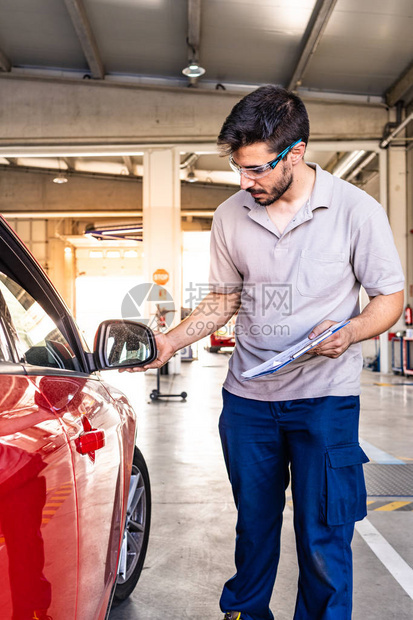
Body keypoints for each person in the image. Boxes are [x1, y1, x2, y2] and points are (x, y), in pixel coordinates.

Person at [129, 86, 404, 620]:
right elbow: (223, 300)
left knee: (324, 532)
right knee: (253, 525)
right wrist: (168, 342)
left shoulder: (355, 211)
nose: (244, 181)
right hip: (249, 401)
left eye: (255, 169)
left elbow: (389, 297)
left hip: (325, 400)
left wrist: (350, 332)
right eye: (238, 167)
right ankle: (245, 614)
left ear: (295, 153)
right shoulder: (232, 215)